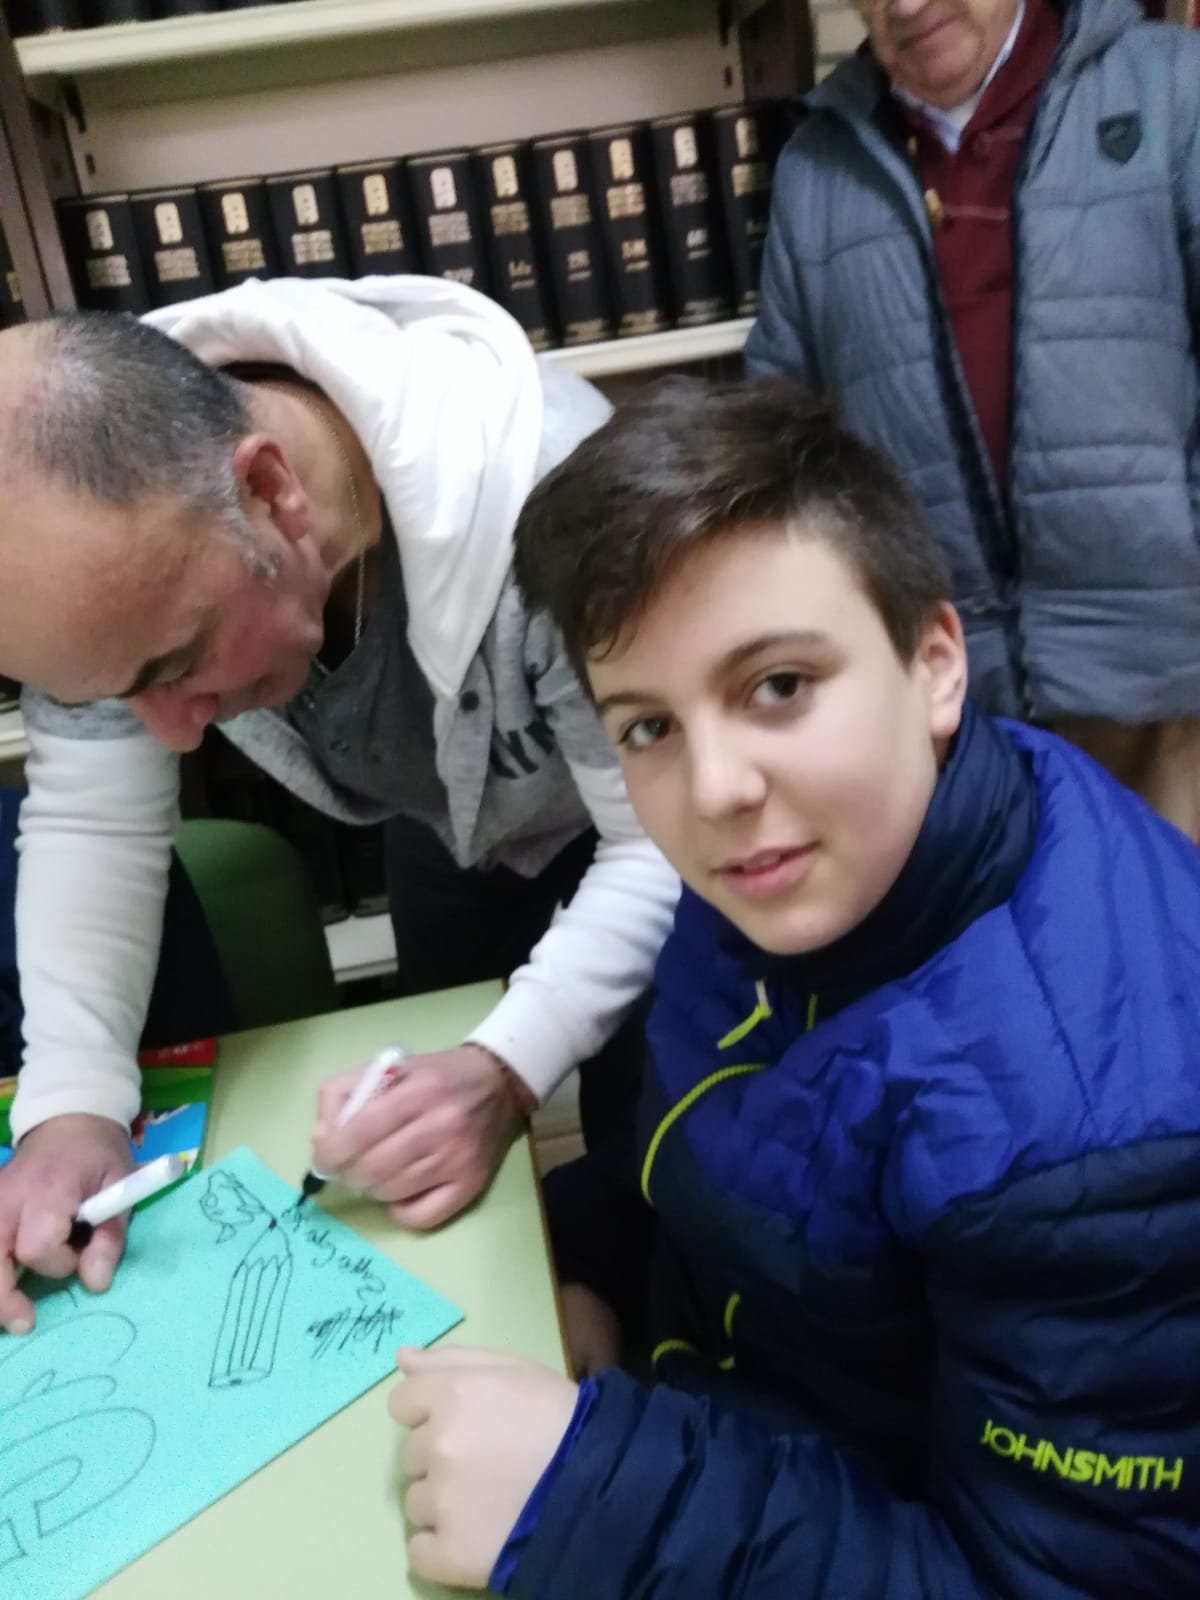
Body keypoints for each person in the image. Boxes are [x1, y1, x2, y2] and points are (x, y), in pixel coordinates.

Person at [388, 376, 1200, 1599]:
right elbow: (738, 1127)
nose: (714, 789)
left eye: (778, 685)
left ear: (935, 664)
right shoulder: (833, 857)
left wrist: (601, 1494)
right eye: (648, 726)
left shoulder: (1094, 1160)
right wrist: (596, 1253)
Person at [0, 281, 679, 1336]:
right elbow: (94, 821)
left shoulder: (568, 498)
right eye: (116, 694)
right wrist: (71, 1101)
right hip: (444, 813)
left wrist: (510, 1068)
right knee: (432, 1114)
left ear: (271, 492)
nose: (172, 736)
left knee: (655, 1104)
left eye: (174, 666)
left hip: (643, 821)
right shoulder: (85, 554)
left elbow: (663, 840)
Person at [744, 0, 1200, 838]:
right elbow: (786, 442)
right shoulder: (819, 166)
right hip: (946, 718)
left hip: (1166, 690)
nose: (905, 5)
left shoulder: (1171, 88)